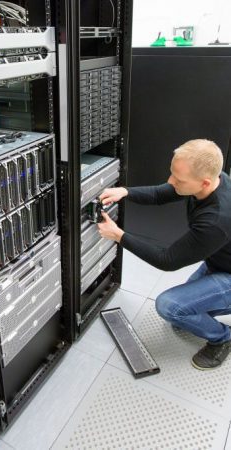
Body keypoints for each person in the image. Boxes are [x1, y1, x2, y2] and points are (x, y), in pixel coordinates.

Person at [97, 139, 231, 370]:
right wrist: (125, 191)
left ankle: (223, 337)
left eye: (179, 180)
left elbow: (167, 260)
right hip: (219, 263)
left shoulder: (216, 220)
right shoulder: (217, 180)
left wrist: (119, 235)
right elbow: (162, 193)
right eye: (172, 173)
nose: (171, 181)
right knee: (183, 316)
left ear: (205, 182)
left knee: (171, 307)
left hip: (227, 273)